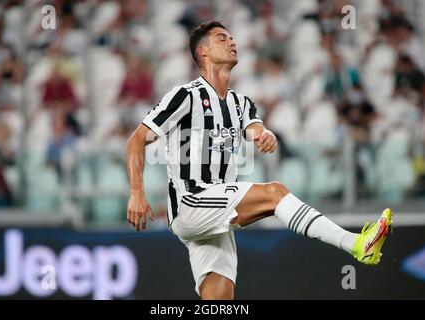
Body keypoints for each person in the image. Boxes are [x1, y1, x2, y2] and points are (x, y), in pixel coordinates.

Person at [125, 21, 393, 300]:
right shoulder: (185, 96)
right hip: (192, 202)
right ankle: (357, 244)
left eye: (231, 37)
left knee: (220, 299)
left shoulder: (241, 103)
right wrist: (136, 192)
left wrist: (265, 135)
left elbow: (255, 128)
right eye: (222, 38)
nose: (231, 42)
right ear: (203, 51)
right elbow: (136, 140)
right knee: (275, 193)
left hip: (214, 211)